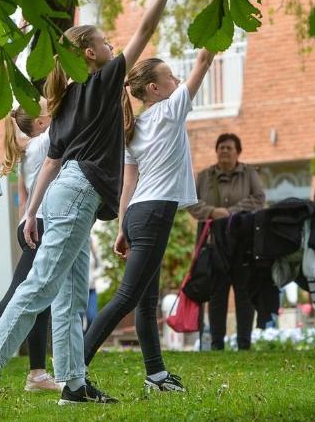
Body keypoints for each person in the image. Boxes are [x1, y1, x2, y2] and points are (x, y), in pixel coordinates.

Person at [0, 0, 178, 409]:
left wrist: (31, 212)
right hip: (78, 194)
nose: (112, 46)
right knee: (42, 284)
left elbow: (50, 162)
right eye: (103, 41)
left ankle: (74, 385)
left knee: (69, 296)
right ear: (88, 53)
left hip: (69, 193)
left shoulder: (66, 101)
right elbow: (145, 31)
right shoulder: (100, 83)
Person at [83, 49, 215, 393]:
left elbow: (129, 183)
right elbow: (203, 60)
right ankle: (73, 368)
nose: (175, 80)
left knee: (145, 300)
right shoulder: (171, 110)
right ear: (154, 89)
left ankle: (156, 375)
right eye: (170, 76)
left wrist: (123, 226)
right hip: (155, 213)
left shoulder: (134, 126)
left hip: (141, 213)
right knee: (127, 297)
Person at [0, 101, 63, 394]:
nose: (52, 112)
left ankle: (37, 373)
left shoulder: (31, 147)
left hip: (32, 224)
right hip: (42, 225)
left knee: (40, 298)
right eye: (47, 110)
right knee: (17, 295)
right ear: (38, 122)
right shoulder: (45, 140)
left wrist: (25, 223)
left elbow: (23, 195)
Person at [188, 133, 266, 350]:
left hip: (243, 242)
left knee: (244, 293)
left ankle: (244, 343)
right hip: (213, 244)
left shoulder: (250, 173)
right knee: (217, 294)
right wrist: (212, 212)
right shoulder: (204, 176)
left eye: (229, 148)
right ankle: (216, 344)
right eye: (220, 147)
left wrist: (231, 212)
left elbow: (259, 199)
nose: (224, 151)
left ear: (238, 152)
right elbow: (191, 203)